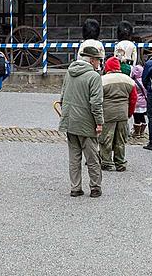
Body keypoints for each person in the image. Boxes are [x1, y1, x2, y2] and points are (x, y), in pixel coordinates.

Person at [60, 39, 105, 198]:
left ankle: (75, 187)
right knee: (92, 157)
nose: (99, 62)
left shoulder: (69, 72)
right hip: (86, 122)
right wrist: (99, 122)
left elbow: (63, 96)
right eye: (98, 60)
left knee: (74, 157)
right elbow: (96, 103)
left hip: (70, 121)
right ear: (92, 60)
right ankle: (95, 187)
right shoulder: (94, 76)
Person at [99, 56, 137, 172]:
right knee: (120, 139)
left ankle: (106, 162)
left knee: (106, 139)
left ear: (108, 67)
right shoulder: (128, 80)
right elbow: (133, 99)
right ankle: (120, 163)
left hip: (108, 114)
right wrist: (129, 113)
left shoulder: (102, 80)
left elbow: (98, 99)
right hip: (122, 114)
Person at [130, 65, 148, 138]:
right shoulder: (144, 80)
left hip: (136, 102)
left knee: (136, 118)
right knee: (142, 116)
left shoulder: (133, 82)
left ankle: (137, 132)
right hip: (143, 102)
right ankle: (142, 132)